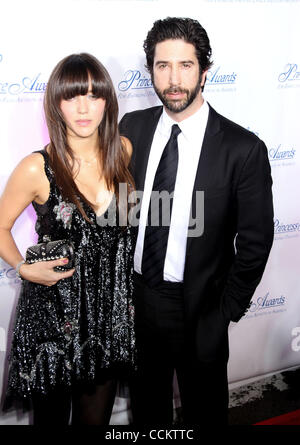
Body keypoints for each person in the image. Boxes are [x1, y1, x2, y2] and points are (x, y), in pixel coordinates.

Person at [119, 17, 274, 426]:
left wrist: (224, 311)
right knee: (146, 412)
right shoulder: (131, 128)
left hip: (200, 311)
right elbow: (121, 212)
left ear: (205, 71)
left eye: (185, 65)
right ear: (150, 69)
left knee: (204, 414)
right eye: (162, 65)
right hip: (137, 304)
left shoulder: (243, 148)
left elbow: (256, 242)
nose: (173, 78)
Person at [0, 53, 136, 425]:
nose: (83, 107)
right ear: (56, 104)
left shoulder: (122, 151)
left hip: (107, 317)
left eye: (94, 95)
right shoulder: (36, 167)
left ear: (107, 101)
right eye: (72, 96)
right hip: (52, 318)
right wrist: (23, 269)